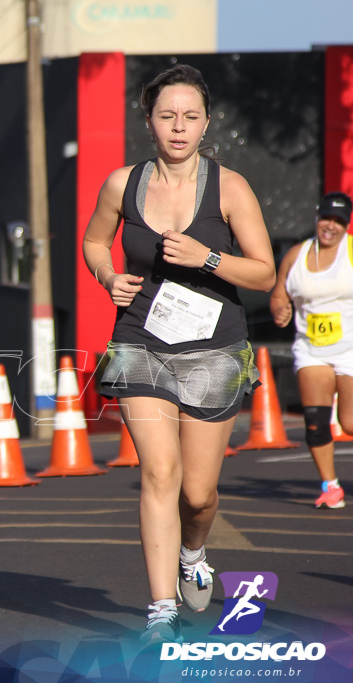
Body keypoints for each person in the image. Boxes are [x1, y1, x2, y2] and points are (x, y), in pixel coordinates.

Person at [81, 64, 276, 648]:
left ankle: (194, 550)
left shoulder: (231, 187)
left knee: (197, 493)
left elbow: (264, 274)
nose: (178, 127)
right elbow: (94, 240)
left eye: (190, 117)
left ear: (206, 123)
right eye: (167, 116)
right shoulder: (124, 184)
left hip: (215, 349)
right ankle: (160, 605)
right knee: (158, 472)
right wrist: (108, 274)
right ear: (149, 121)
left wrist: (207, 259)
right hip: (141, 339)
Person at [269, 192, 351, 510]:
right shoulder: (297, 255)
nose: (331, 226)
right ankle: (330, 486)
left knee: (350, 421)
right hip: (312, 348)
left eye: (339, 222)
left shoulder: (351, 251)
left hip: (350, 349)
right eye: (327, 218)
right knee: (316, 421)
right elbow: (279, 294)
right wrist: (280, 310)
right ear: (318, 217)